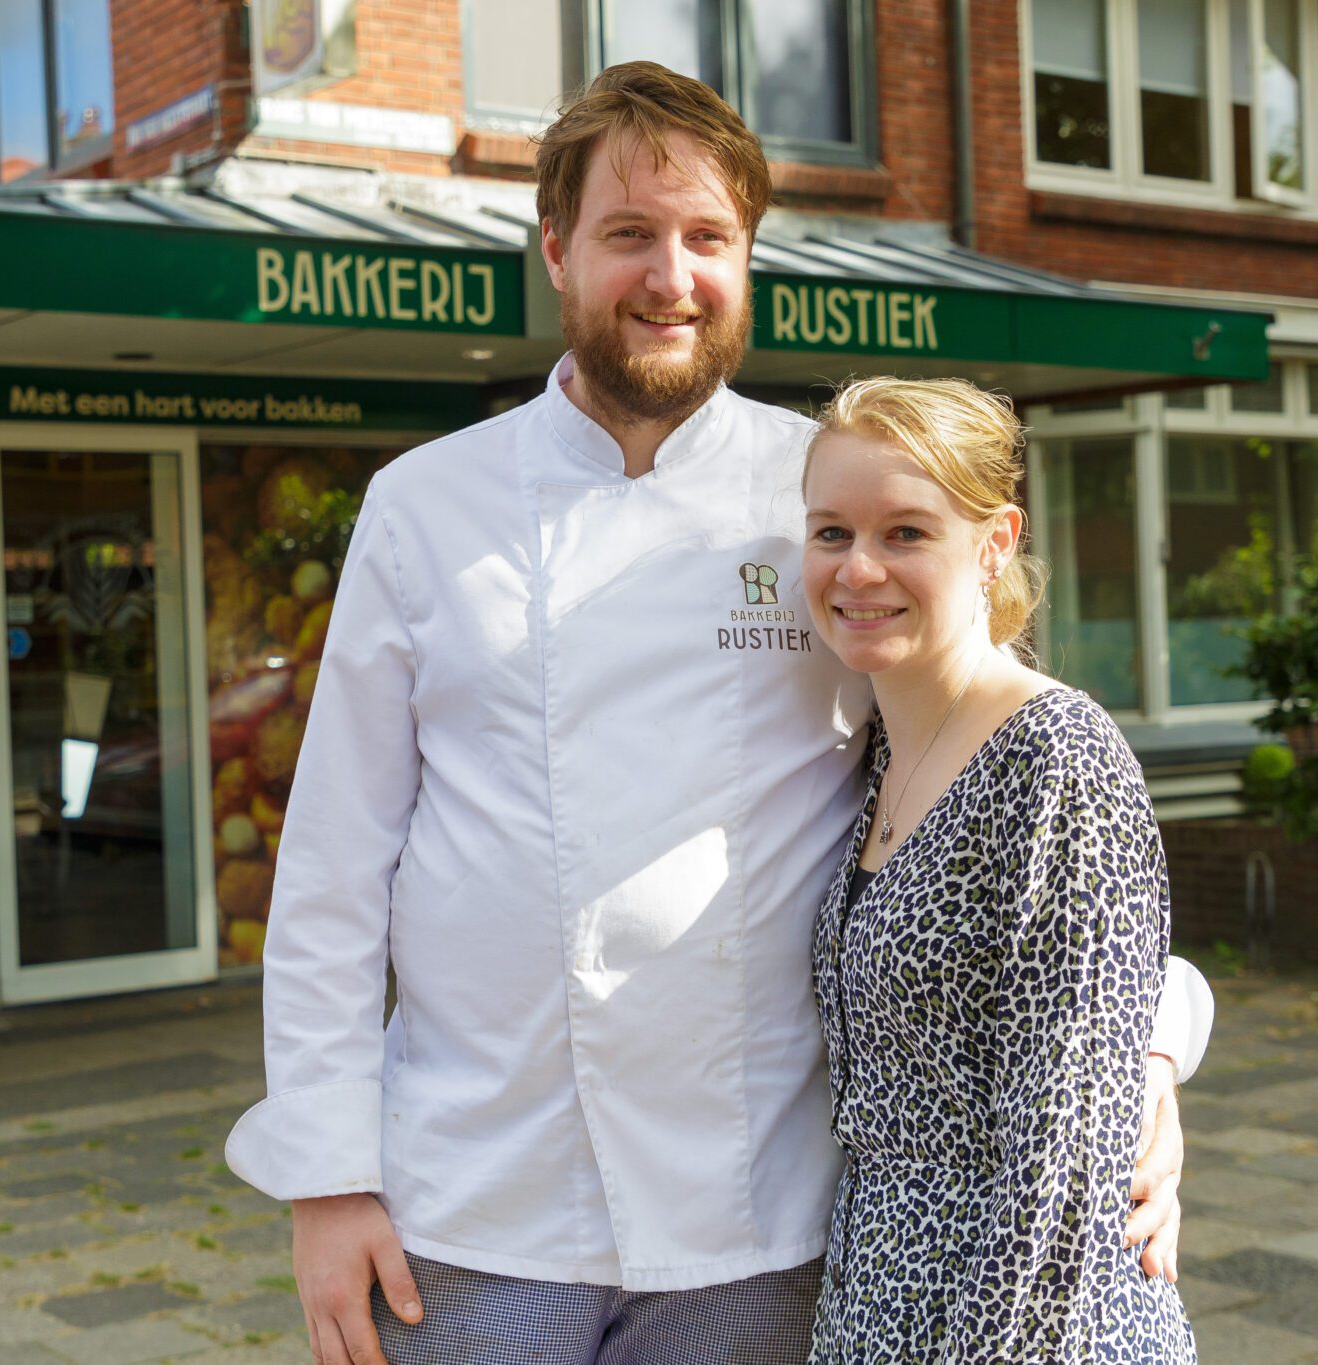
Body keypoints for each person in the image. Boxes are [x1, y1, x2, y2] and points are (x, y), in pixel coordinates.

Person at [224, 62, 1213, 1365]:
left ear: (750, 260)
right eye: (630, 235)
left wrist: (1147, 1041)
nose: (670, 277)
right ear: (559, 254)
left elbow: (1015, 785)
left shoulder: (821, 499)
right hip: (470, 1210)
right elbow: (333, 874)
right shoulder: (425, 504)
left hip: (758, 1220)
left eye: (709, 239)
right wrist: (328, 1180)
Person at [800, 377, 1196, 1361]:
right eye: (829, 532)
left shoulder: (1055, 758)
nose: (858, 568)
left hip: (1019, 1325)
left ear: (992, 542)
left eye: (903, 533)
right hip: (870, 1312)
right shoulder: (875, 756)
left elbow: (1063, 1163)